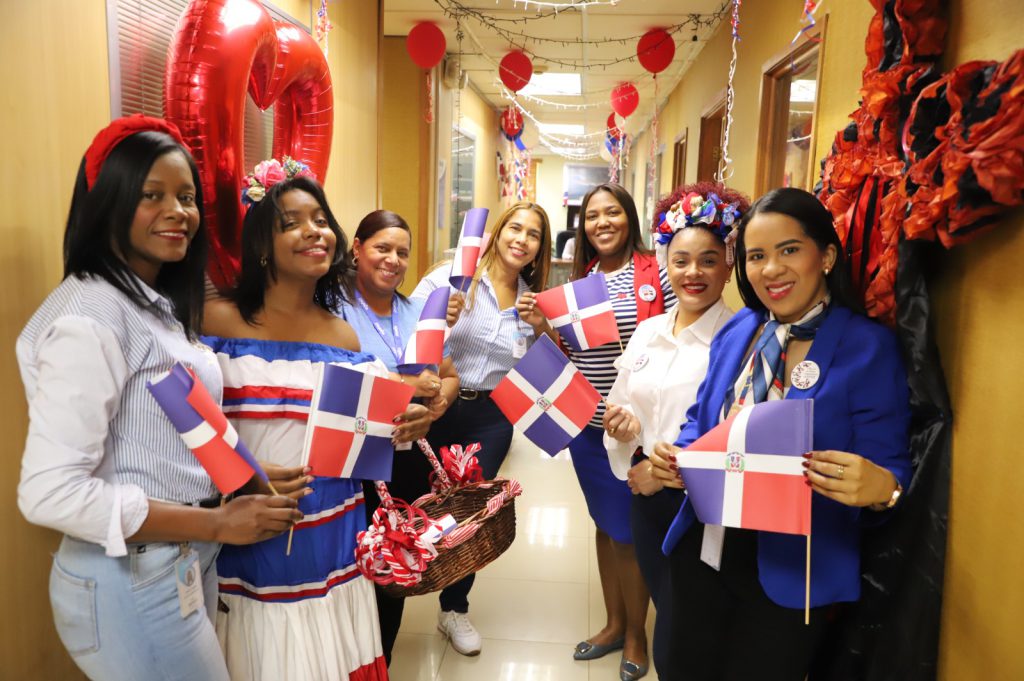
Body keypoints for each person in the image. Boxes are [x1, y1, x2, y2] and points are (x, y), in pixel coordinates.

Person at [16, 117, 302, 681]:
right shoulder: (90, 316)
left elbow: (151, 436)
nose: (179, 212)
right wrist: (219, 524)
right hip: (129, 579)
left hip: (172, 566)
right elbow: (49, 494)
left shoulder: (148, 302)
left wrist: (242, 471)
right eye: (152, 196)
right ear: (109, 204)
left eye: (187, 197)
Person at [650, 187, 912, 681]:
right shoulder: (739, 330)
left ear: (826, 255)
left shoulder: (867, 348)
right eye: (756, 256)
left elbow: (892, 471)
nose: (771, 269)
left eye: (789, 250)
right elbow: (701, 418)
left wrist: (882, 488)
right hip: (704, 547)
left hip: (794, 572)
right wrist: (680, 452)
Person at [202, 161, 429, 681]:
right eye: (292, 222)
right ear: (262, 243)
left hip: (334, 533)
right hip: (246, 534)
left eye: (321, 219)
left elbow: (365, 438)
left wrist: (407, 425)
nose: (314, 232)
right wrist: (240, 473)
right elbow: (180, 428)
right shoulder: (216, 322)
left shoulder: (344, 338)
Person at [525, 183, 674, 680]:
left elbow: (679, 338)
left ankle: (636, 632)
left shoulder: (657, 274)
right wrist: (544, 328)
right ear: (582, 225)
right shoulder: (579, 281)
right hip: (588, 427)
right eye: (592, 215)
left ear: (629, 218)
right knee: (605, 526)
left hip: (638, 429)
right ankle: (613, 623)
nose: (602, 222)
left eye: (612, 212)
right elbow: (576, 355)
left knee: (629, 534)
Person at [601, 183, 748, 679]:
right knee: (667, 605)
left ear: (730, 263)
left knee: (692, 628)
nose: (694, 273)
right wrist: (623, 428)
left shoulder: (740, 338)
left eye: (709, 260)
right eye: (681, 260)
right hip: (645, 495)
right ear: (665, 262)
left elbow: (734, 433)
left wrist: (663, 475)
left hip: (700, 505)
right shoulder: (648, 331)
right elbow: (622, 404)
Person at [411, 201, 553, 656]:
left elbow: (542, 370)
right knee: (415, 500)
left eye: (533, 234)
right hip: (435, 406)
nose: (522, 239)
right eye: (515, 228)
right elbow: (402, 332)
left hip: (492, 417)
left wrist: (541, 327)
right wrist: (438, 317)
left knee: (471, 514)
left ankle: (454, 608)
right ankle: (391, 585)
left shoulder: (531, 300)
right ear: (496, 232)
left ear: (538, 249)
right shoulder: (452, 278)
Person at [336, 209, 460, 666]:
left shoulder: (415, 313)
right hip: (349, 461)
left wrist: (438, 405)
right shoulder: (332, 307)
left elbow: (448, 374)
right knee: (349, 569)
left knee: (393, 566)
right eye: (382, 248)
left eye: (402, 252)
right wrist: (402, 385)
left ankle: (381, 662)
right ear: (357, 248)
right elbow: (331, 382)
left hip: (403, 460)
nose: (392, 260)